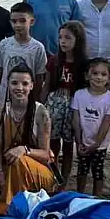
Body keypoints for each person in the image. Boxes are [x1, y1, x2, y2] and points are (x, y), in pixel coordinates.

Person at [0, 65, 57, 214]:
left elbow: (45, 155)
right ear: (8, 84)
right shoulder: (1, 110)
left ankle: (9, 208)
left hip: (38, 170)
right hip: (8, 168)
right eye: (14, 83)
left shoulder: (40, 112)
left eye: (25, 84)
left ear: (32, 85)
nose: (19, 88)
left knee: (19, 161)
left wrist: (24, 150)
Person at [40, 21, 88, 181]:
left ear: (78, 40)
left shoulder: (84, 65)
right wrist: (40, 107)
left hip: (73, 104)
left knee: (68, 145)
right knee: (52, 142)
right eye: (60, 37)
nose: (63, 41)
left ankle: (64, 179)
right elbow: (46, 86)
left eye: (67, 38)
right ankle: (52, 175)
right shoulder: (54, 61)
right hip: (55, 103)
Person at [71, 59, 110, 196]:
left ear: (109, 78)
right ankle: (79, 195)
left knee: (97, 171)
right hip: (83, 142)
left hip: (100, 145)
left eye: (103, 74)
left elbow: (106, 123)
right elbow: (76, 120)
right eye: (95, 73)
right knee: (82, 169)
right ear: (87, 76)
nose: (99, 77)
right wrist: (79, 142)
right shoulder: (79, 95)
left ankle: (96, 197)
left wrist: (96, 143)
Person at [0, 2, 48, 110]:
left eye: (22, 21)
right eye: (14, 21)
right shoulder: (4, 44)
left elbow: (39, 79)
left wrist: (35, 102)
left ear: (32, 21)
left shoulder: (38, 48)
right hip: (4, 100)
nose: (18, 25)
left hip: (26, 99)